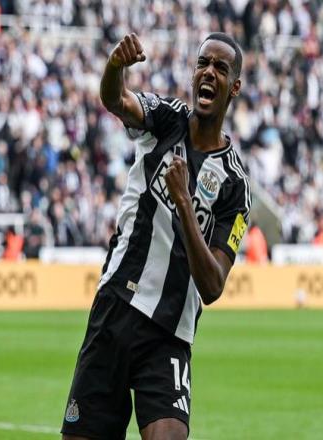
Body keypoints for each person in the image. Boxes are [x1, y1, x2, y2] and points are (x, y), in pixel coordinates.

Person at [61, 32, 251, 440]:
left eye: (220, 68)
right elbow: (116, 100)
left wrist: (184, 203)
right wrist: (115, 66)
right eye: (203, 63)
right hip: (116, 307)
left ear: (234, 87)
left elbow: (213, 285)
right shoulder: (167, 118)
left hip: (169, 334)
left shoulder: (235, 185)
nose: (209, 72)